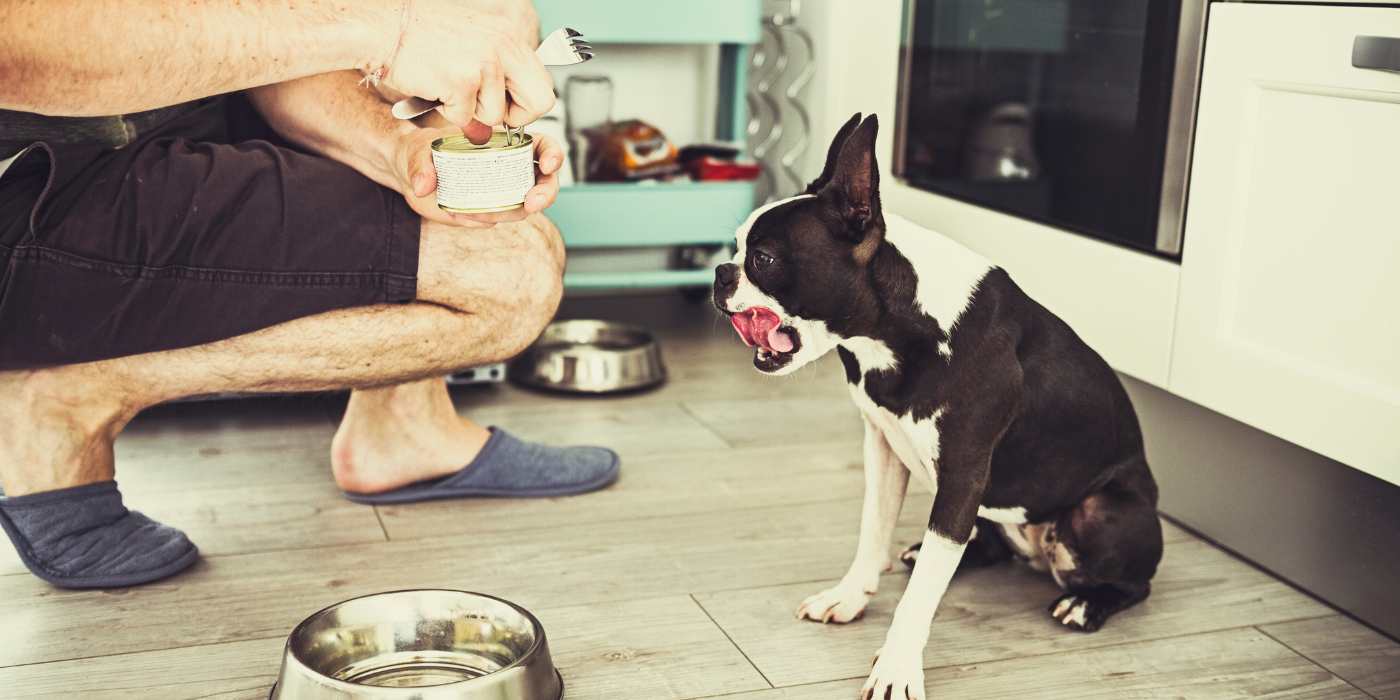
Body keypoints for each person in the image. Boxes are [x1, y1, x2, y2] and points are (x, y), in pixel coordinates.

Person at [0, 0, 619, 590]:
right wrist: (390, 28)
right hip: (30, 183)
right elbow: (14, 42)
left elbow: (271, 62)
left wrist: (403, 153)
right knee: (508, 275)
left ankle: (404, 425)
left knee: (453, 36)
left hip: (154, 137)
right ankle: (60, 399)